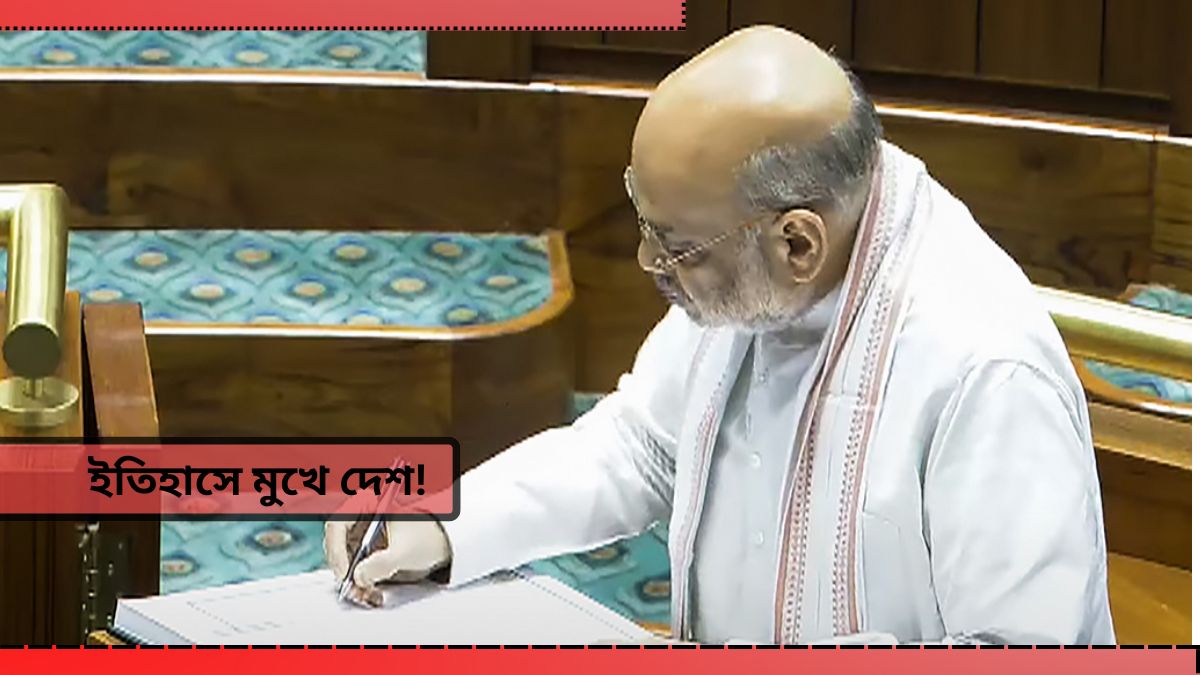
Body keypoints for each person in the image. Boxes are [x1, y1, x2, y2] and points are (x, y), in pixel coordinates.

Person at [325, 25, 1116, 645]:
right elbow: (641, 445)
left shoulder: (986, 370)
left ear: (797, 242)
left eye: (674, 247)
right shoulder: (760, 257)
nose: (648, 263)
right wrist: (444, 521)